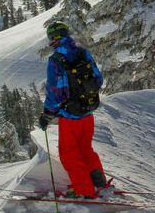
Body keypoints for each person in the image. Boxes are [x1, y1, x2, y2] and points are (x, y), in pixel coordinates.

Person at [39, 21, 107, 199]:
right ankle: (98, 182)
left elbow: (55, 91)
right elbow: (98, 80)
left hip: (70, 117)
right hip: (88, 111)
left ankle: (84, 190)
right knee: (85, 149)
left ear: (52, 38)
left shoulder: (56, 60)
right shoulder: (83, 52)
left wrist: (47, 114)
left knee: (69, 155)